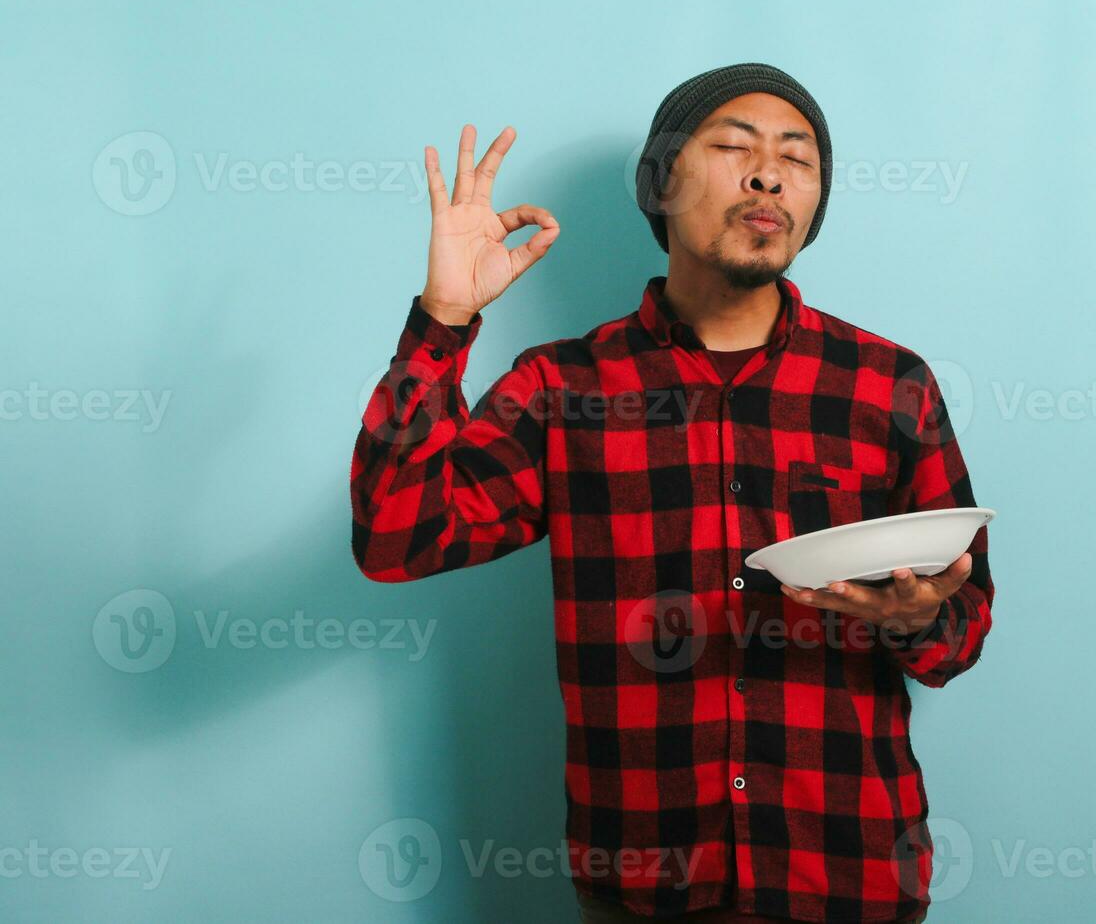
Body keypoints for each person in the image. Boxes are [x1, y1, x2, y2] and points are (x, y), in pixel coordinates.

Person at [350, 63, 996, 923]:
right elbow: (396, 535)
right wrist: (444, 320)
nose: (767, 174)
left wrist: (918, 618)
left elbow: (960, 632)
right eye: (734, 147)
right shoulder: (562, 387)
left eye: (797, 160)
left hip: (849, 871)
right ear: (661, 181)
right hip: (644, 887)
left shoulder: (887, 386)